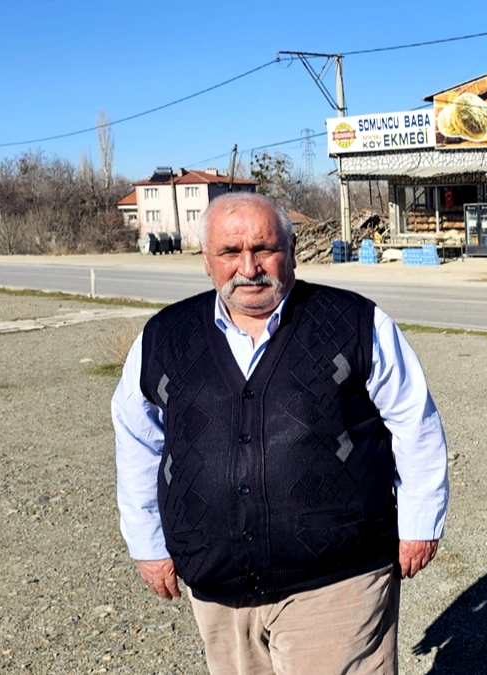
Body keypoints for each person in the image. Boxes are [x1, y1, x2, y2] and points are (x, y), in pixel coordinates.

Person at [111, 192, 450, 675]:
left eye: (264, 249)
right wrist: (147, 544)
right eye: (230, 253)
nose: (249, 268)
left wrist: (420, 522)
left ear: (290, 251)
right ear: (206, 260)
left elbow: (414, 420)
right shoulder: (165, 337)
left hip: (338, 577)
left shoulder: (353, 321)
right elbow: (138, 440)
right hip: (218, 585)